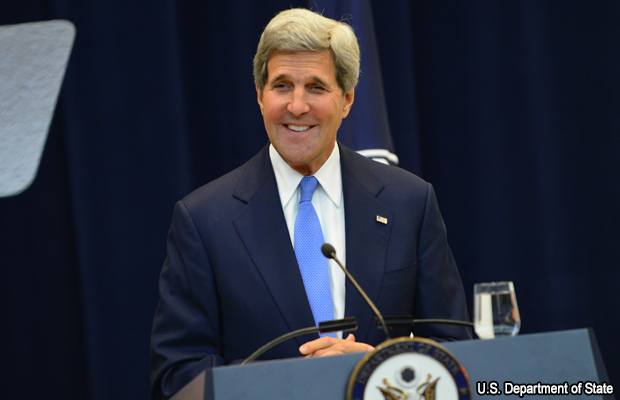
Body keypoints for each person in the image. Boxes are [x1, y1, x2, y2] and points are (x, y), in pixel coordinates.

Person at [150, 8, 471, 400]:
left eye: (316, 87)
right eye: (282, 86)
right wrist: (295, 383)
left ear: (347, 99)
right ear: (260, 95)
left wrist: (376, 368)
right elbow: (177, 376)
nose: (297, 106)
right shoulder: (204, 220)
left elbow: (455, 350)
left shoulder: (409, 202)